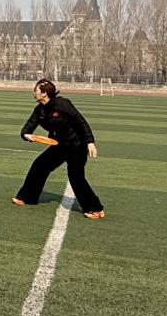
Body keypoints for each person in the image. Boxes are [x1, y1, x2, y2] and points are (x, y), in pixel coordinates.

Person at [13, 78, 105, 219]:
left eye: (35, 90)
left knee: (76, 177)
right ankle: (28, 197)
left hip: (76, 146)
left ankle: (95, 208)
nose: (33, 93)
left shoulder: (63, 104)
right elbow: (27, 128)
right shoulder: (39, 110)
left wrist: (90, 142)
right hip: (59, 145)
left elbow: (81, 122)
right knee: (39, 166)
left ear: (44, 93)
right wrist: (26, 135)